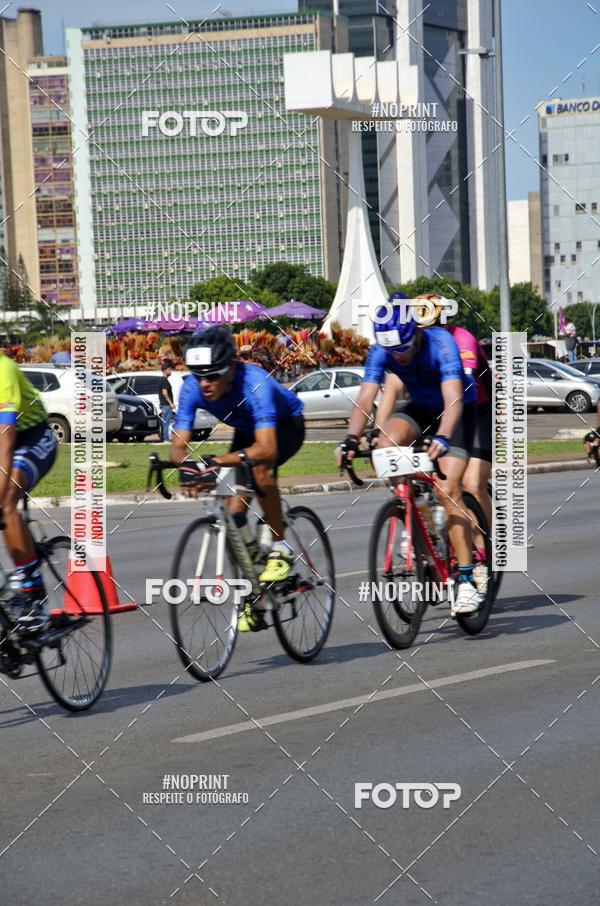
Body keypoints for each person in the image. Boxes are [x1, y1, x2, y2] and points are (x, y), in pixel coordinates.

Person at [338, 292, 483, 616]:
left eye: (402, 349)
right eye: (392, 351)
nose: (398, 357)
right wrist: (350, 438)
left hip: (456, 412)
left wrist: (444, 438)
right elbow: (365, 399)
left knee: (448, 489)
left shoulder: (440, 345)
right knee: (385, 443)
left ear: (415, 334)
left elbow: (454, 399)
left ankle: (465, 580)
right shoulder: (382, 350)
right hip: (419, 408)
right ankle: (413, 514)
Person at [170, 327, 305, 631]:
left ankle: (282, 549)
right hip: (247, 432)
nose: (205, 384)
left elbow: (267, 448)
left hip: (284, 428)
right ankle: (257, 591)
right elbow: (178, 445)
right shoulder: (192, 388)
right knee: (234, 513)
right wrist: (187, 465)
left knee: (259, 470)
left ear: (230, 368)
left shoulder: (254, 382)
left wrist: (219, 461)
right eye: (199, 375)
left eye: (213, 376)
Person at [376, 295, 493, 594]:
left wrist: (444, 435)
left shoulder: (459, 340)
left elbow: (458, 391)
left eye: (432, 325)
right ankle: (423, 524)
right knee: (416, 476)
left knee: (470, 484)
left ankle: (483, 551)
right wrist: (377, 433)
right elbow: (391, 390)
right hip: (434, 408)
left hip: (475, 409)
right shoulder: (408, 348)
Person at [0, 351, 57, 633]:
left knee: (5, 498)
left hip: (32, 437)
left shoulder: (4, 369)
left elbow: (6, 437)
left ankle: (33, 594)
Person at [158, 361, 175, 442]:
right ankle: (165, 439)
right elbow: (164, 393)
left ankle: (164, 438)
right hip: (166, 405)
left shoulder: (163, 380)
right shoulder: (164, 381)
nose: (170, 371)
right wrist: (171, 403)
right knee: (166, 422)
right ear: (165, 370)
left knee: (165, 422)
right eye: (169, 370)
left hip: (165, 405)